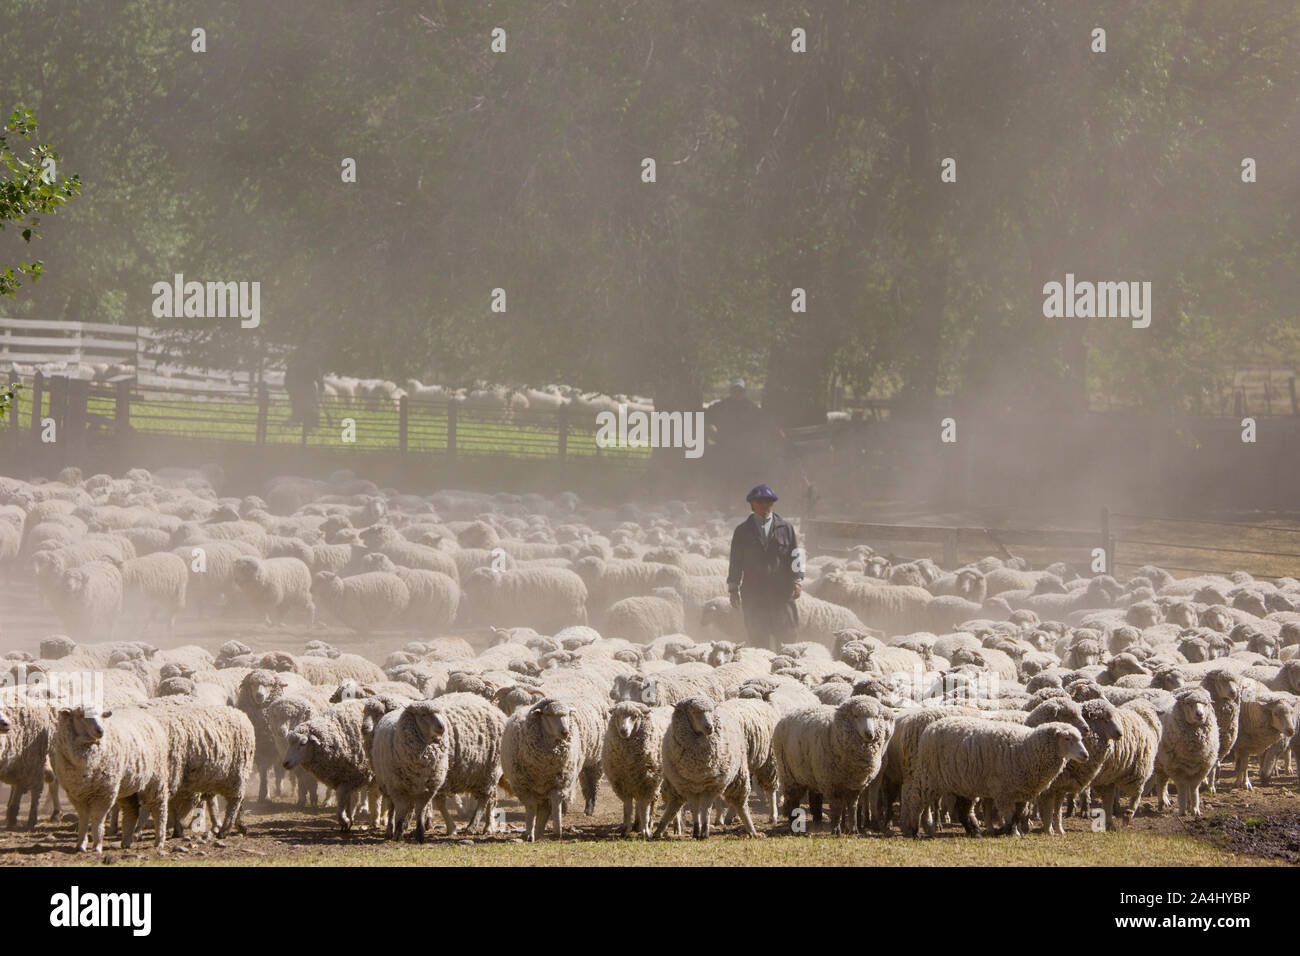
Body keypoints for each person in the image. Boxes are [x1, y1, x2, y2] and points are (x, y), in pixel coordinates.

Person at [726, 484, 802, 651]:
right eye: (760, 502)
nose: (764, 505)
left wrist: (797, 581)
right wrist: (733, 588)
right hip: (755, 594)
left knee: (787, 638)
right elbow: (736, 561)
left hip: (781, 592)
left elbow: (795, 554)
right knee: (758, 640)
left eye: (768, 502)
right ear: (752, 505)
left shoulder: (785, 528)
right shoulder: (742, 531)